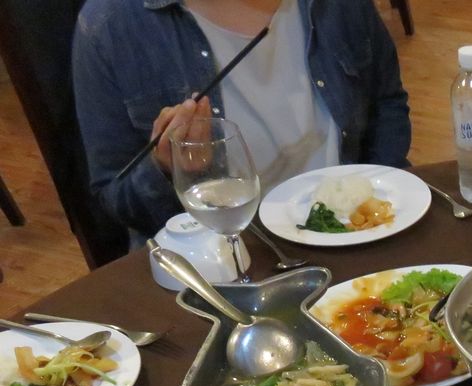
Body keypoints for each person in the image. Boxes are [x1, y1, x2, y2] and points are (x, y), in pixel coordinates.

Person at [73, 0, 412, 241]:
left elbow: (386, 101)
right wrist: (167, 169)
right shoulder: (110, 24)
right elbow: (114, 196)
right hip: (225, 261)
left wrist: (379, 206)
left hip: (355, 233)